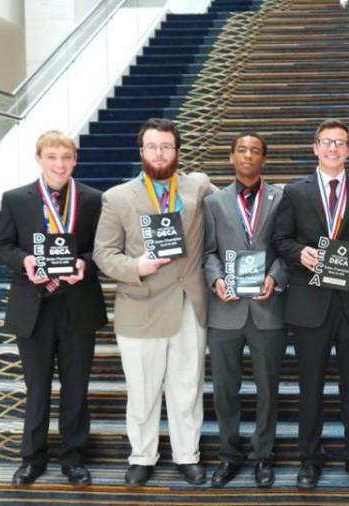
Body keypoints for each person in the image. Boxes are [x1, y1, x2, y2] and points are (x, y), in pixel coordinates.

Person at [93, 118, 215, 487]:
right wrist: (136, 266)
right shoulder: (117, 197)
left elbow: (234, 210)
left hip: (189, 304)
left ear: (178, 152)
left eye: (166, 147)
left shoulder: (199, 186)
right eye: (152, 147)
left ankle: (187, 456)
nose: (159, 153)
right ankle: (142, 456)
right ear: (141, 151)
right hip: (141, 307)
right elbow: (103, 253)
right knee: (143, 391)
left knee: (187, 388)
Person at [272, 119, 349, 489]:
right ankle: (309, 459)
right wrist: (298, 252)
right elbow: (281, 240)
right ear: (315, 147)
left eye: (340, 143)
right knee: (310, 385)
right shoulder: (295, 192)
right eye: (326, 142)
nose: (333, 148)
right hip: (309, 303)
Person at [0, 130, 107, 487]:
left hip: (77, 304)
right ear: (39, 158)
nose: (60, 164)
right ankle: (33, 458)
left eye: (66, 157)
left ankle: (73, 458)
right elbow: (2, 247)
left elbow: (103, 249)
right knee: (37, 387)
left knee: (76, 387)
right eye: (52, 157)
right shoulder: (16, 199)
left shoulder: (93, 199)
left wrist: (84, 264)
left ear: (75, 160)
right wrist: (24, 260)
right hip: (34, 307)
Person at [202, 132, 287, 488]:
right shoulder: (214, 202)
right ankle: (229, 455)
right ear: (231, 157)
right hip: (226, 310)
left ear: (264, 159)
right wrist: (217, 280)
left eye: (255, 151)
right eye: (242, 150)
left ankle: (263, 456)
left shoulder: (282, 197)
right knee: (225, 389)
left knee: (268, 389)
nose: (248, 156)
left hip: (268, 309)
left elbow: (287, 247)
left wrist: (276, 276)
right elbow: (207, 253)